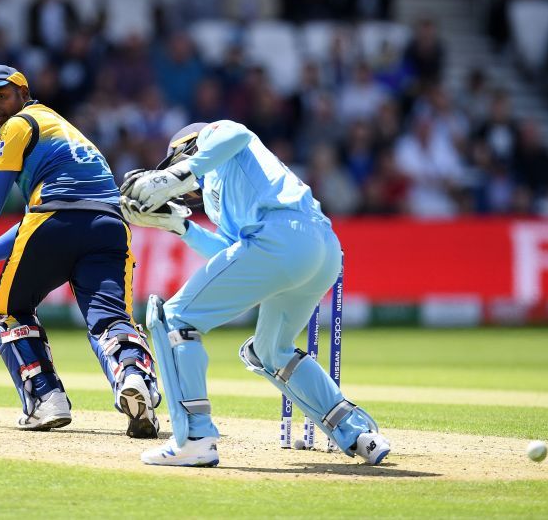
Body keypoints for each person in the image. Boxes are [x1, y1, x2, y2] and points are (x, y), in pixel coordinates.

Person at [120, 120, 391, 467]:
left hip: (283, 239)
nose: (183, 190)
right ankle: (358, 434)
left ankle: (194, 438)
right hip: (319, 249)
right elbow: (235, 252)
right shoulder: (220, 198)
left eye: (174, 167)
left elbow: (236, 133)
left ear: (188, 149)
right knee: (270, 352)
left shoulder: (220, 137)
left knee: (174, 316)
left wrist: (180, 173)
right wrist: (180, 226)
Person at [0, 65, 160, 438]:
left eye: (1, 96)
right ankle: (134, 378)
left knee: (4, 306)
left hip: (53, 222)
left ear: (22, 93)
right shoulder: (67, 132)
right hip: (109, 227)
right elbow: (38, 219)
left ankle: (47, 399)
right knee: (110, 320)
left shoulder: (17, 127)